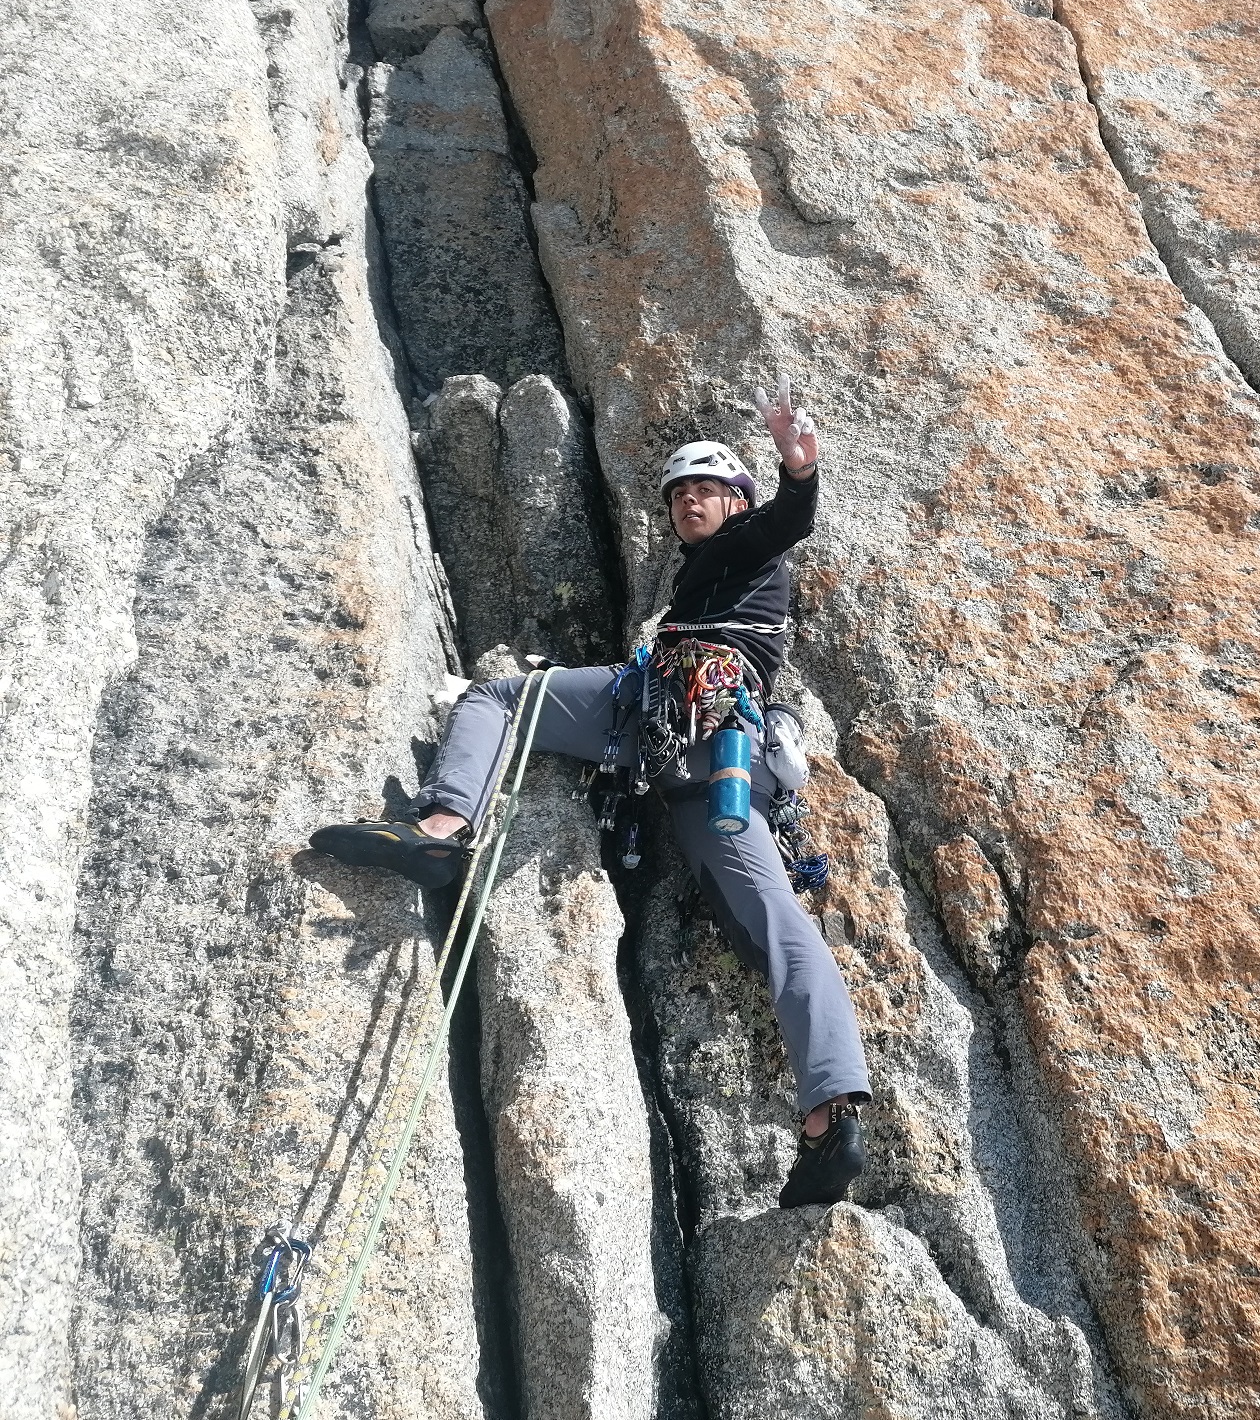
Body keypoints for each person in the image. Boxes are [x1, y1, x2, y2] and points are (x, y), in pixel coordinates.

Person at [310, 377, 870, 1208]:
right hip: (677, 741)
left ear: (739, 499)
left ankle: (442, 824)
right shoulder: (705, 577)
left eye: (707, 489)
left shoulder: (750, 545)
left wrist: (798, 470)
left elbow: (791, 520)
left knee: (502, 699)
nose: (690, 502)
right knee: (505, 701)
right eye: (679, 492)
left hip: (693, 735)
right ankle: (830, 1110)